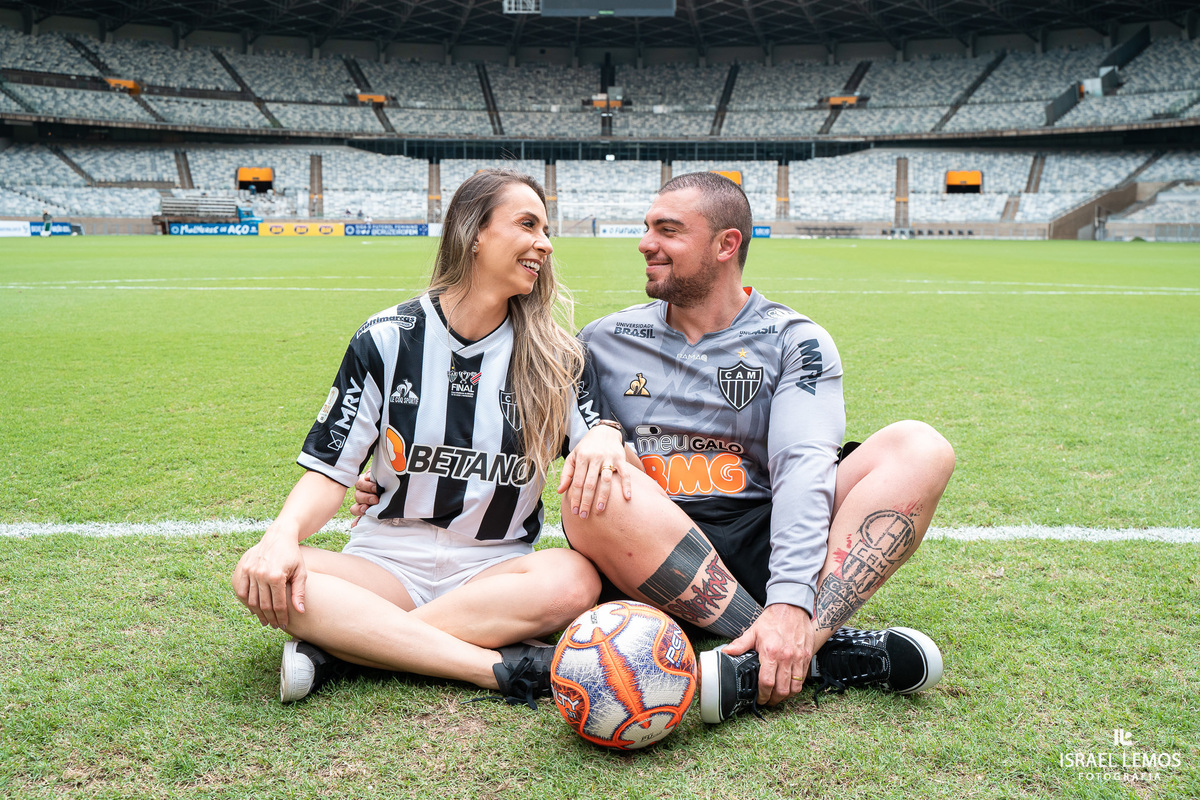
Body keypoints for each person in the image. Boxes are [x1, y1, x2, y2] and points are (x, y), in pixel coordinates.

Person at [355, 172, 955, 723]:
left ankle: (790, 638)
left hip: (762, 530)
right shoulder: (603, 340)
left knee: (919, 448)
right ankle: (796, 651)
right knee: (595, 490)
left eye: (667, 231)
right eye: (647, 228)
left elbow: (803, 467)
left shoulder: (795, 338)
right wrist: (390, 478)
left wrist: (793, 601)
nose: (645, 243)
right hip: (644, 544)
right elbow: (512, 427)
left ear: (726, 245)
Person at [233, 169, 627, 707]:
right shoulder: (386, 338)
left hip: (496, 567)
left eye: (546, 228)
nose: (546, 244)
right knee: (258, 572)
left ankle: (342, 649)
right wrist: (281, 535)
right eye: (528, 224)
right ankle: (494, 668)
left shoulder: (556, 356)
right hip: (385, 561)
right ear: (474, 233)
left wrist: (604, 433)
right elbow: (330, 472)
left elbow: (596, 443)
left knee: (575, 580)